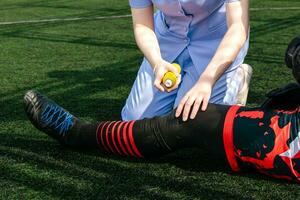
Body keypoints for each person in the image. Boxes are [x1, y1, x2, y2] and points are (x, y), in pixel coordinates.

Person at [121, 0, 252, 122]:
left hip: (217, 45)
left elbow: (237, 28)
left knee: (190, 122)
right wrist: (157, 63)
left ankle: (237, 80)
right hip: (168, 40)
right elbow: (142, 25)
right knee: (135, 121)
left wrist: (206, 81)